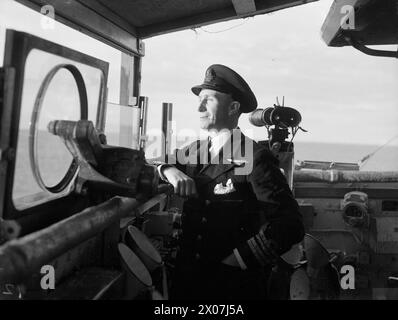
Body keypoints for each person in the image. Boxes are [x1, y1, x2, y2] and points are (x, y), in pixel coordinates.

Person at [157, 64, 304, 300]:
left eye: (209, 100)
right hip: (188, 281)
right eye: (199, 100)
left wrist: (240, 259)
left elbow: (290, 223)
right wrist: (169, 170)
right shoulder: (195, 150)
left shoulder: (255, 157)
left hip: (230, 286)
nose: (199, 107)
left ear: (234, 107)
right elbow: (156, 162)